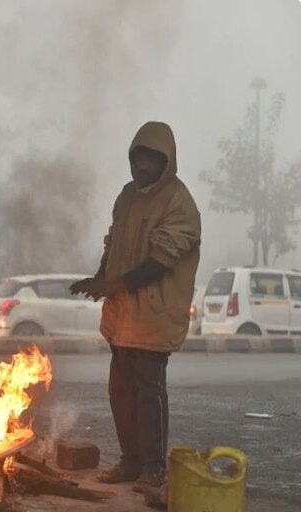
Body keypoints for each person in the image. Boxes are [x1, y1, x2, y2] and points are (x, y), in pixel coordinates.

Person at [70, 121, 201, 493]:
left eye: (149, 160)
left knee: (148, 390)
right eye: (136, 158)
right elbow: (113, 246)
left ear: (166, 162)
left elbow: (162, 260)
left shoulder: (179, 201)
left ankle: (153, 468)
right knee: (119, 390)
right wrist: (99, 279)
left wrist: (114, 284)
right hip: (122, 315)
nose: (140, 167)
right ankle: (130, 461)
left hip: (155, 315)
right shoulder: (126, 195)